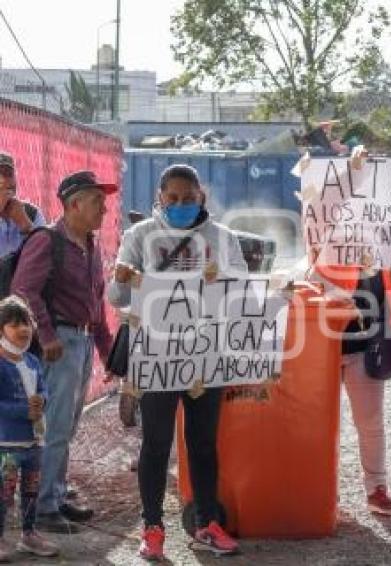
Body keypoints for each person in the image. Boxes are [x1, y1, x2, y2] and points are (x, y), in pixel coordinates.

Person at [107, 164, 245, 560]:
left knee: (203, 443)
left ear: (201, 196)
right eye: (174, 198)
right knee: (155, 444)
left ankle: (207, 524)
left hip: (206, 354)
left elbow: (240, 294)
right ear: (160, 197)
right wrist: (122, 279)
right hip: (157, 355)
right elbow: (118, 299)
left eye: (189, 198)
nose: (182, 204)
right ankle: (152, 530)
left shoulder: (222, 238)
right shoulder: (139, 236)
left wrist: (225, 280)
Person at [10, 171, 116, 534]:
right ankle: (43, 507)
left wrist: (108, 353)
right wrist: (48, 334)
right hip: (62, 345)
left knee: (67, 426)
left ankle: (52, 494)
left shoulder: (90, 245)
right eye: (96, 201)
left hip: (81, 342)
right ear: (74, 205)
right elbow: (24, 289)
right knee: (55, 427)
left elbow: (96, 304)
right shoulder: (48, 241)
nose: (104, 207)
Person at [310, 262, 391, 515]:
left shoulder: (386, 256)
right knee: (319, 424)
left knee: (371, 422)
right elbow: (301, 287)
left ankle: (376, 489)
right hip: (323, 349)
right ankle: (322, 491)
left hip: (366, 351)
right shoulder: (326, 251)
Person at [0, 296, 59, 560]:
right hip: (7, 444)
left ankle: (29, 534)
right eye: (14, 325)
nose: (23, 330)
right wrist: (25, 411)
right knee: (4, 493)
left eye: (26, 323)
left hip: (35, 442)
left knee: (31, 491)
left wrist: (42, 399)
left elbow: (43, 388)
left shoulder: (33, 361)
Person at [0, 152, 46, 259]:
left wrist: (24, 224)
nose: (3, 180)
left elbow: (45, 256)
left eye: (8, 174)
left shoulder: (32, 213)